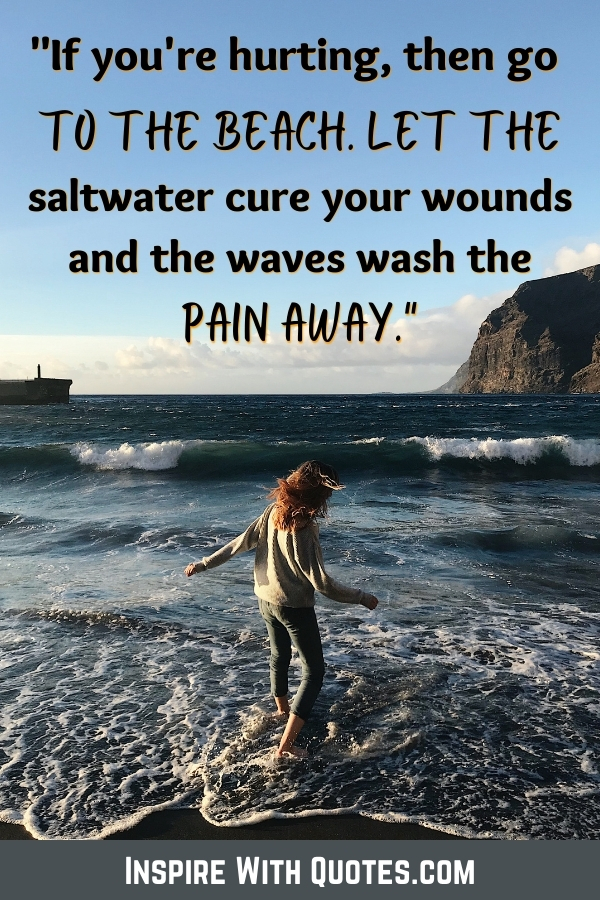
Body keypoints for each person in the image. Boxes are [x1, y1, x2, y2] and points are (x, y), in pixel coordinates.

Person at [185, 460, 379, 759]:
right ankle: (285, 747)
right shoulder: (305, 529)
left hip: (266, 600)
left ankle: (282, 710)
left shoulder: (273, 511)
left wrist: (203, 564)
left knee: (279, 655)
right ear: (319, 494)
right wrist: (362, 597)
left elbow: (240, 543)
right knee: (314, 672)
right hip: (293, 607)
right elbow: (322, 583)